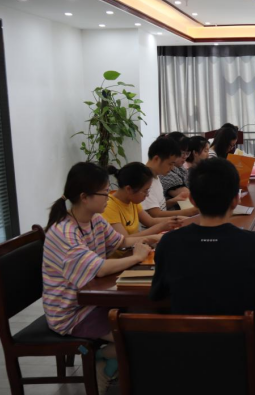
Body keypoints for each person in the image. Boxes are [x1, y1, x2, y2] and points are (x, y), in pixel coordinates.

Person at [150, 158, 255, 394]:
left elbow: (157, 294)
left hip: (184, 360)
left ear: (193, 200)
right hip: (241, 362)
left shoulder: (169, 243)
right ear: (236, 200)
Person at [43, 162, 159, 395]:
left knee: (150, 317)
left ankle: (116, 364)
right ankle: (102, 359)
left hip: (94, 301)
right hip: (72, 312)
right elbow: (100, 269)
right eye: (105, 193)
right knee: (144, 334)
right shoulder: (65, 233)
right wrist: (137, 257)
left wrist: (155, 238)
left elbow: (121, 241)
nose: (109, 197)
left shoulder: (94, 219)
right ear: (84, 197)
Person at [103, 162, 183, 237]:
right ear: (129, 189)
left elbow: (150, 221)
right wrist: (160, 227)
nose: (147, 195)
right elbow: (124, 240)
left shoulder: (132, 200)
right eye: (145, 191)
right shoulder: (109, 206)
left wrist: (177, 220)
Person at [142, 137, 198, 218]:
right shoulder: (145, 182)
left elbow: (160, 207)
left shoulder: (156, 176)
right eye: (170, 164)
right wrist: (191, 211)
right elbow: (156, 214)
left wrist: (173, 201)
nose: (172, 168)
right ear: (156, 159)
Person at [160, 133, 193, 207]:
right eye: (182, 153)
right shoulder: (165, 173)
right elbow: (187, 196)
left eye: (187, 153)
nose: (185, 156)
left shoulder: (181, 169)